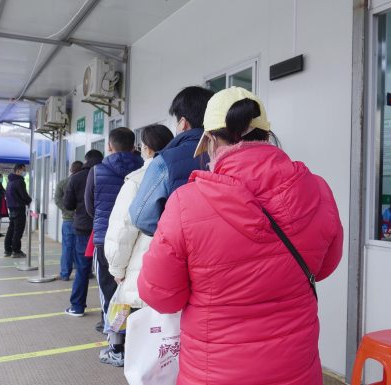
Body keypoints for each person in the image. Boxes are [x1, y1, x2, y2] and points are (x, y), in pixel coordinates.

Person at [137, 87, 344, 384]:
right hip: (297, 369)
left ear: (209, 140)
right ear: (267, 136)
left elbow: (159, 294)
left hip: (214, 373)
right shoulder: (318, 189)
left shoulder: (185, 203)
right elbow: (324, 267)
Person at [102, 124, 174, 367]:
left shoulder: (137, 180)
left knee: (135, 323)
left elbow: (123, 229)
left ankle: (122, 354)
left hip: (140, 265)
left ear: (146, 148)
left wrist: (116, 268)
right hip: (170, 267)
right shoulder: (181, 172)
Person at [85, 127, 144, 365]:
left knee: (111, 295)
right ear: (133, 146)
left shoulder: (97, 171)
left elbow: (90, 207)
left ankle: (116, 347)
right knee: (136, 294)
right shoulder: (144, 169)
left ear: (109, 146)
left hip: (106, 241)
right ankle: (135, 344)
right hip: (139, 241)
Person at [128, 86, 215, 236]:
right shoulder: (229, 153)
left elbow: (141, 217)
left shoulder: (164, 162)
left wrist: (174, 235)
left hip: (184, 251)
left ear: (182, 123)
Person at [63, 150, 103, 317]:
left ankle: (77, 306)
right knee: (107, 271)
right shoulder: (105, 174)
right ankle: (107, 312)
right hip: (103, 227)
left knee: (82, 268)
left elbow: (68, 204)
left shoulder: (76, 177)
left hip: (83, 228)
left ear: (86, 160)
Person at [55, 161, 83, 281]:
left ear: (71, 170)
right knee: (81, 247)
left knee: (67, 247)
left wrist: (68, 211)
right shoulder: (85, 181)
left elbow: (57, 200)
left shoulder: (62, 183)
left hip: (68, 220)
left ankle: (65, 274)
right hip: (82, 220)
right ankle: (83, 272)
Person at [4, 164, 32, 258]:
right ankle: (16, 251)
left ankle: (8, 249)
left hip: (11, 207)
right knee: (18, 230)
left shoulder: (10, 181)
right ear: (18, 170)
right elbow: (24, 195)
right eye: (23, 170)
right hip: (19, 208)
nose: (25, 172)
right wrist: (29, 201)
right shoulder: (19, 181)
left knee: (11, 229)